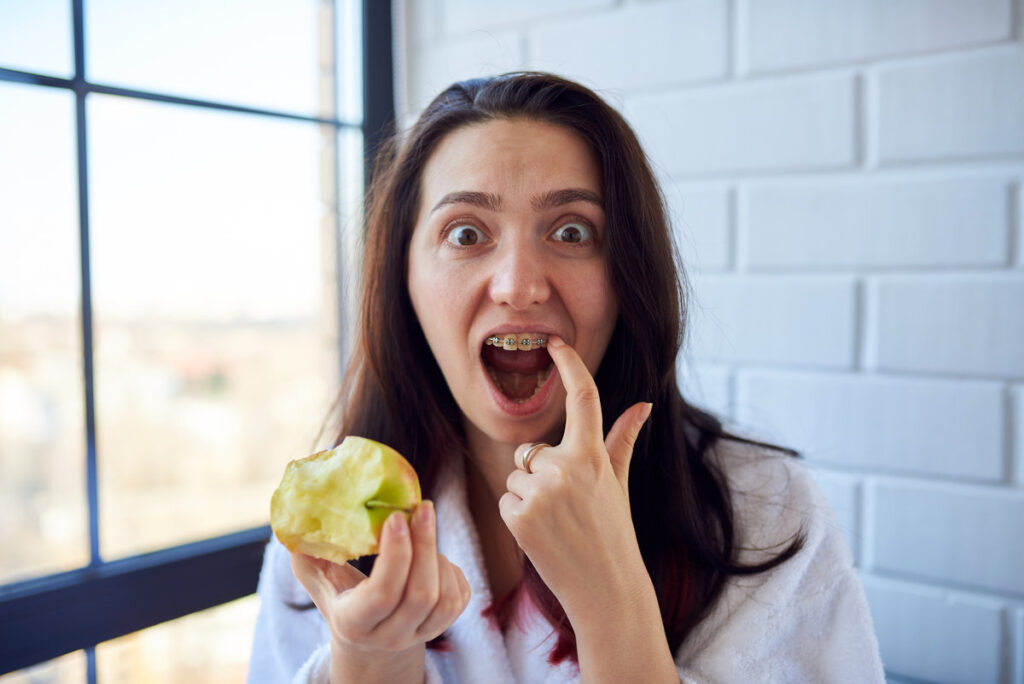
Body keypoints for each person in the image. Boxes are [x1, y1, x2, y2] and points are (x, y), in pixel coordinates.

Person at [249, 72, 884, 683]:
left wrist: (613, 605)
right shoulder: (325, 546)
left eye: (572, 231)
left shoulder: (766, 514)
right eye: (466, 233)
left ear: (628, 276)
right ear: (402, 281)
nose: (519, 285)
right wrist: (372, 663)